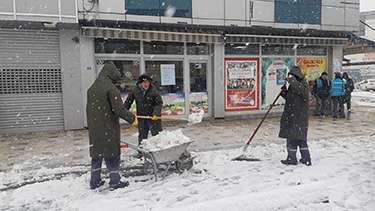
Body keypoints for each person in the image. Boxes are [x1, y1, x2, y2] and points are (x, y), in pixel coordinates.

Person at [86, 62, 137, 190]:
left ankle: (94, 181)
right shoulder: (111, 89)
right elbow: (119, 110)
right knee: (112, 155)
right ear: (111, 74)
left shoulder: (92, 88)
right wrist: (132, 119)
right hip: (108, 127)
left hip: (94, 128)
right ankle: (115, 181)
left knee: (97, 155)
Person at [279, 66, 311, 166]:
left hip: (298, 117)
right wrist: (284, 92)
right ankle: (299, 158)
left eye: (292, 77)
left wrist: (291, 80)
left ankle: (299, 158)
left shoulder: (303, 85)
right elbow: (290, 99)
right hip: (292, 116)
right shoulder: (294, 86)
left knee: (297, 138)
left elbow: (302, 93)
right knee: (294, 137)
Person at [124, 74, 163, 147]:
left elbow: (159, 103)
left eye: (147, 82)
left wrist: (156, 113)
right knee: (142, 136)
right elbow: (128, 102)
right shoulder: (135, 91)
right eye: (144, 82)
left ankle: (159, 150)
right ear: (140, 83)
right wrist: (123, 112)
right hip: (142, 117)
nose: (146, 84)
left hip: (153, 117)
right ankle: (141, 152)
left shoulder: (153, 90)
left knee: (157, 135)